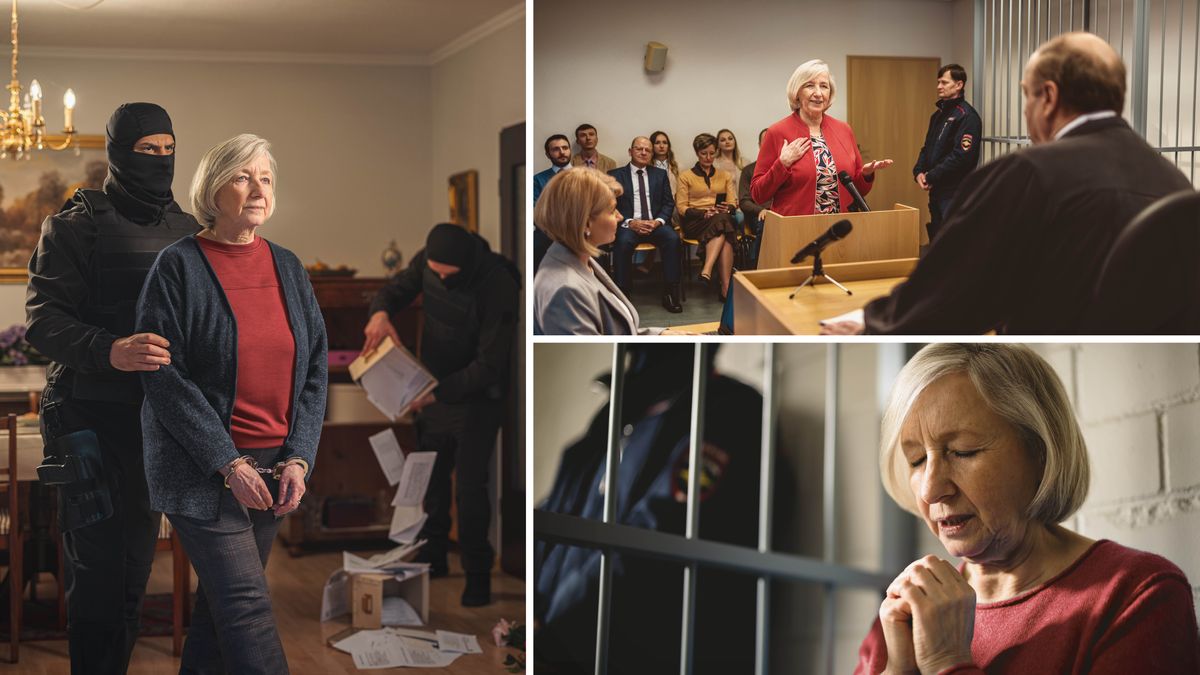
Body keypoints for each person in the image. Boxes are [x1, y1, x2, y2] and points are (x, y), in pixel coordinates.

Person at [854, 343, 1200, 674]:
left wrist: (947, 661)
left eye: (963, 451)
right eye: (916, 460)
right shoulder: (902, 614)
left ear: (1040, 453)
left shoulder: (1138, 595)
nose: (930, 489)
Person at [823, 32, 1194, 335]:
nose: (1025, 109)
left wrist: (873, 322)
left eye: (1026, 94)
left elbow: (958, 294)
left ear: (1048, 97)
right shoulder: (1175, 181)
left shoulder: (1030, 172)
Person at [136, 134, 326, 673]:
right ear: (213, 188)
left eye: (265, 178)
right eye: (243, 177)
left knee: (221, 611)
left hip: (273, 464)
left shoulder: (288, 266)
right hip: (202, 467)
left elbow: (314, 369)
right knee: (245, 607)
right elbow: (163, 375)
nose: (257, 188)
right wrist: (228, 462)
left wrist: (299, 457)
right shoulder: (178, 267)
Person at [25, 102, 200, 675]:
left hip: (156, 424)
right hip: (88, 423)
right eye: (147, 149)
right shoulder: (75, 224)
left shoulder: (187, 228)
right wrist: (111, 348)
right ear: (119, 152)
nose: (160, 159)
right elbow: (43, 323)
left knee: (133, 570)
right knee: (97, 576)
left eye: (168, 149)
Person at [535, 345, 773, 675]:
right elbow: (560, 518)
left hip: (640, 648)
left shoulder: (726, 408)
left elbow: (659, 532)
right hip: (567, 638)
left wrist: (552, 635)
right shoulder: (614, 419)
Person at [363, 222, 520, 606]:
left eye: (448, 275)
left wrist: (436, 393)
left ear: (465, 267)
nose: (439, 279)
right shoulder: (428, 263)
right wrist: (380, 312)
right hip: (429, 390)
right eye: (434, 273)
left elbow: (490, 365)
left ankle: (478, 574)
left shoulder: (499, 283)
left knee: (469, 488)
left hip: (478, 399)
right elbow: (394, 289)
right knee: (430, 480)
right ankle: (434, 557)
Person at [534, 168, 684, 335]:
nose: (620, 217)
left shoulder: (578, 257)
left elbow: (611, 331)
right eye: (612, 210)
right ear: (585, 223)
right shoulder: (565, 292)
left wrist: (660, 334)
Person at [751, 59, 893, 216]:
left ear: (829, 94)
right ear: (797, 92)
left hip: (840, 228)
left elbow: (858, 191)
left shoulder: (844, 129)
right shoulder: (777, 132)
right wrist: (782, 164)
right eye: (810, 85)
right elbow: (758, 195)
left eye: (824, 86)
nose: (818, 93)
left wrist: (865, 175)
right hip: (795, 230)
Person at [607, 136, 682, 313]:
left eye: (647, 150)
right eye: (639, 149)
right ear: (630, 151)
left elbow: (668, 203)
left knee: (672, 239)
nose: (643, 152)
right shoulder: (615, 175)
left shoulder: (660, 174)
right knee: (622, 243)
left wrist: (658, 221)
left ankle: (670, 292)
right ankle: (623, 295)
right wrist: (630, 222)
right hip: (629, 225)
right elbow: (609, 205)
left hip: (655, 224)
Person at [913, 64, 982, 241]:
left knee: (955, 241)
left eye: (944, 82)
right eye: (938, 82)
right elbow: (926, 149)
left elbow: (961, 157)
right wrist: (919, 172)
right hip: (937, 190)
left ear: (959, 85)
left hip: (955, 191)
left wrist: (931, 176)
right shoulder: (937, 116)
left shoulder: (967, 116)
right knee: (938, 237)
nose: (939, 86)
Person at [676, 133, 738, 300]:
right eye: (704, 153)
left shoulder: (724, 175)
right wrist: (704, 213)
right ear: (697, 153)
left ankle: (709, 273)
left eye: (712, 153)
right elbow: (681, 207)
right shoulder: (685, 176)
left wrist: (728, 207)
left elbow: (733, 203)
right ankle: (723, 285)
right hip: (695, 222)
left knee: (723, 220)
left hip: (719, 218)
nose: (708, 157)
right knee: (724, 226)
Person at [534, 133, 572, 272]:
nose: (562, 152)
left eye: (565, 147)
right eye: (556, 149)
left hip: (580, 231)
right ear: (548, 154)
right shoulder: (537, 179)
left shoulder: (585, 175)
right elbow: (535, 211)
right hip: (548, 234)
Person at [738, 128, 773, 268]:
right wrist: (760, 210)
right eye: (765, 141)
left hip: (782, 213)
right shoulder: (749, 170)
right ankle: (757, 267)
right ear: (759, 145)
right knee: (767, 224)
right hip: (759, 215)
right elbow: (744, 201)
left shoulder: (787, 168)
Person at [714, 128, 745, 194]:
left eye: (730, 139)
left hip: (742, 202)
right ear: (718, 144)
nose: (727, 142)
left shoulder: (745, 163)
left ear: (735, 142)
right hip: (722, 203)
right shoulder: (713, 164)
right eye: (723, 140)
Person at [650, 130, 680, 196]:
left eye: (665, 142)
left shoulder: (677, 167)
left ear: (668, 146)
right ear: (651, 146)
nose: (661, 146)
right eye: (657, 143)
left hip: (673, 203)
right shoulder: (647, 167)